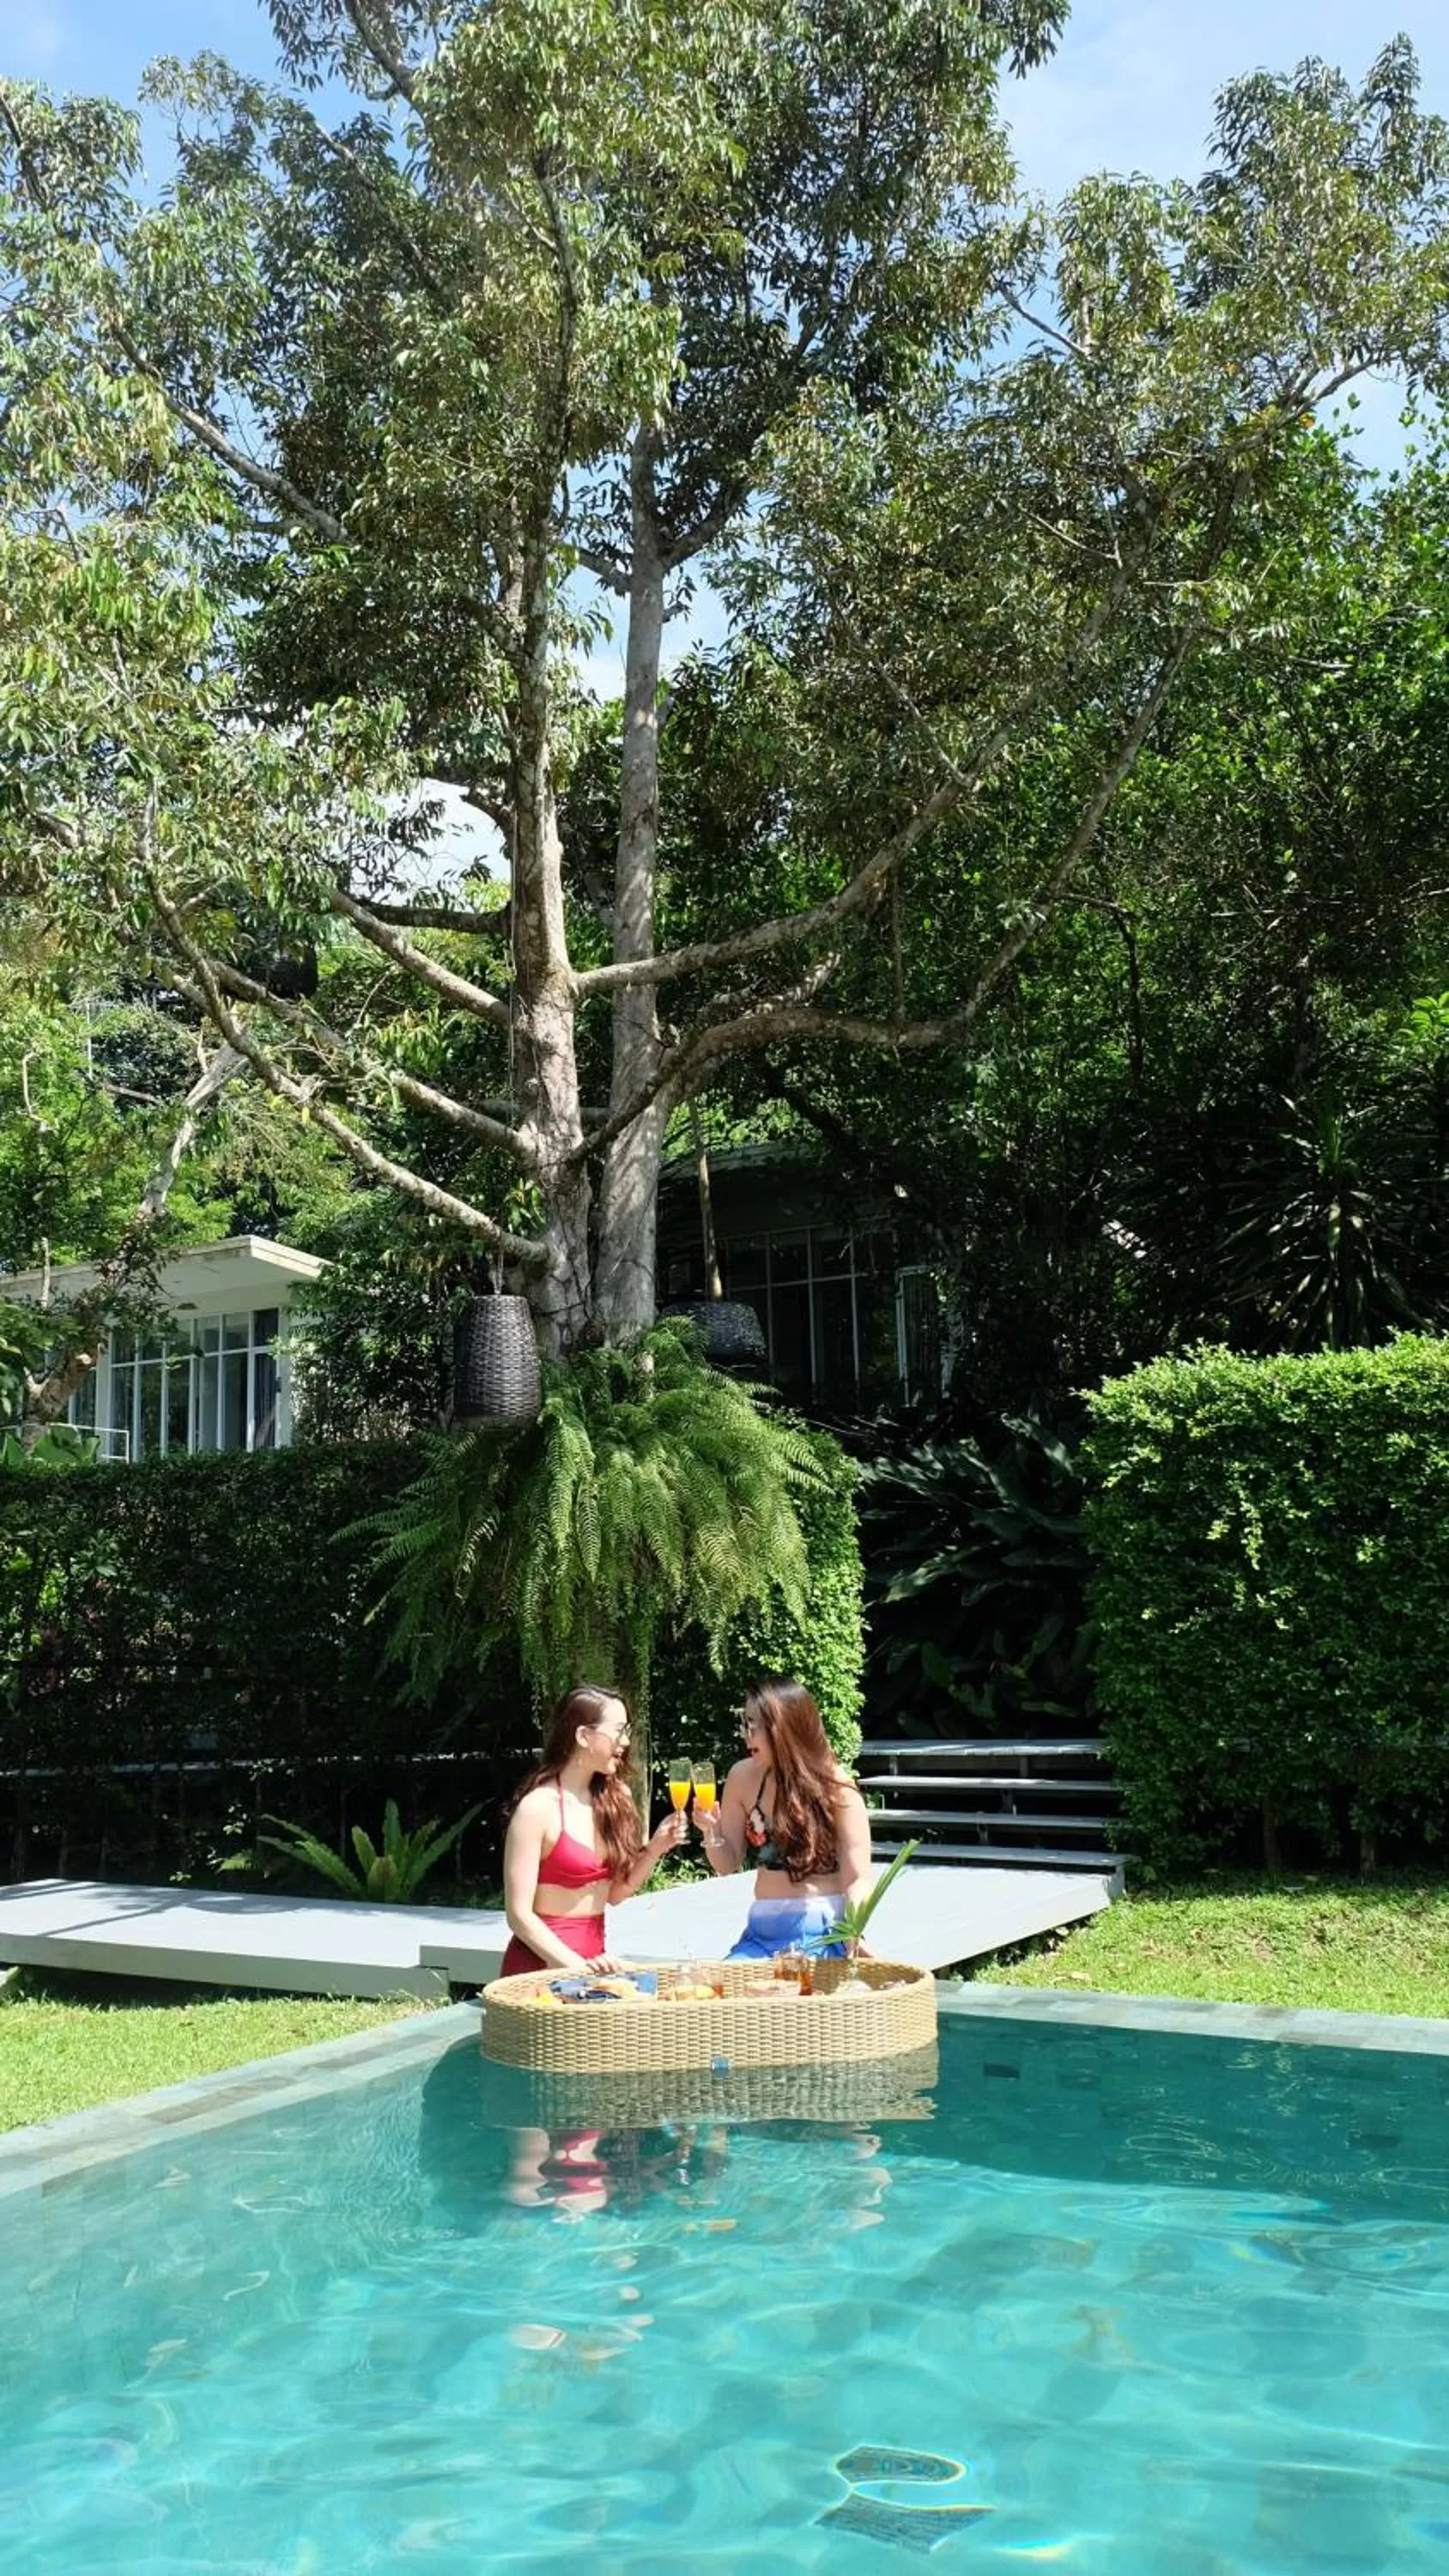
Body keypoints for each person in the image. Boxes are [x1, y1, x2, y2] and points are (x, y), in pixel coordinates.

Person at [500, 1682, 687, 1977]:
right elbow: (518, 1916)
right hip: (541, 1968)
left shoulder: (616, 1799)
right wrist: (577, 1967)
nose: (625, 1742)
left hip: (594, 1964)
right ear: (584, 1736)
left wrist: (654, 1849)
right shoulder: (537, 1809)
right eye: (618, 1731)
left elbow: (615, 1893)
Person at [695, 1676, 874, 1959]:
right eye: (745, 1723)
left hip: (823, 1932)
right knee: (724, 1993)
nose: (746, 1734)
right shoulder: (742, 1777)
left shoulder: (836, 1787)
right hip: (761, 1932)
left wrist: (854, 1929)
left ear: (782, 1728)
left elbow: (857, 1878)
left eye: (754, 1724)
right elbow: (727, 1863)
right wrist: (710, 1832)